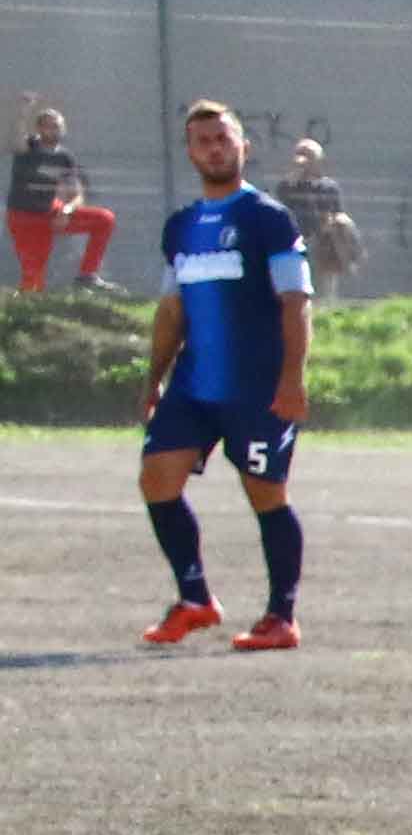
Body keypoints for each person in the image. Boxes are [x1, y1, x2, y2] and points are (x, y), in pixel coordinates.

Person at [131, 100, 312, 654]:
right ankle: (195, 601)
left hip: (256, 386)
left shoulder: (268, 218)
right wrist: (154, 378)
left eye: (223, 138)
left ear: (243, 146)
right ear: (190, 153)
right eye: (203, 141)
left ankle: (281, 617)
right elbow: (171, 311)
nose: (214, 148)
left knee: (265, 495)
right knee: (157, 480)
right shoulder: (181, 226)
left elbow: (296, 302)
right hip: (192, 385)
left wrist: (292, 379)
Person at [11, 104, 115, 295]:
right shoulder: (29, 147)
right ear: (39, 129)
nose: (54, 130)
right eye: (48, 126)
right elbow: (18, 141)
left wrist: (66, 210)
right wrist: (23, 112)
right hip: (24, 217)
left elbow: (76, 194)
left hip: (51, 213)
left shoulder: (65, 157)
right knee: (33, 275)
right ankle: (27, 311)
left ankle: (87, 275)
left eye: (57, 126)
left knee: (104, 219)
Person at [280, 138, 367, 292]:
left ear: (317, 160)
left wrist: (335, 222)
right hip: (295, 243)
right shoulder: (287, 185)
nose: (304, 161)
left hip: (323, 243)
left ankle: (351, 260)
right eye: (300, 154)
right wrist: (296, 180)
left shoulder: (329, 187)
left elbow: (337, 212)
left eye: (308, 156)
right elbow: (283, 211)